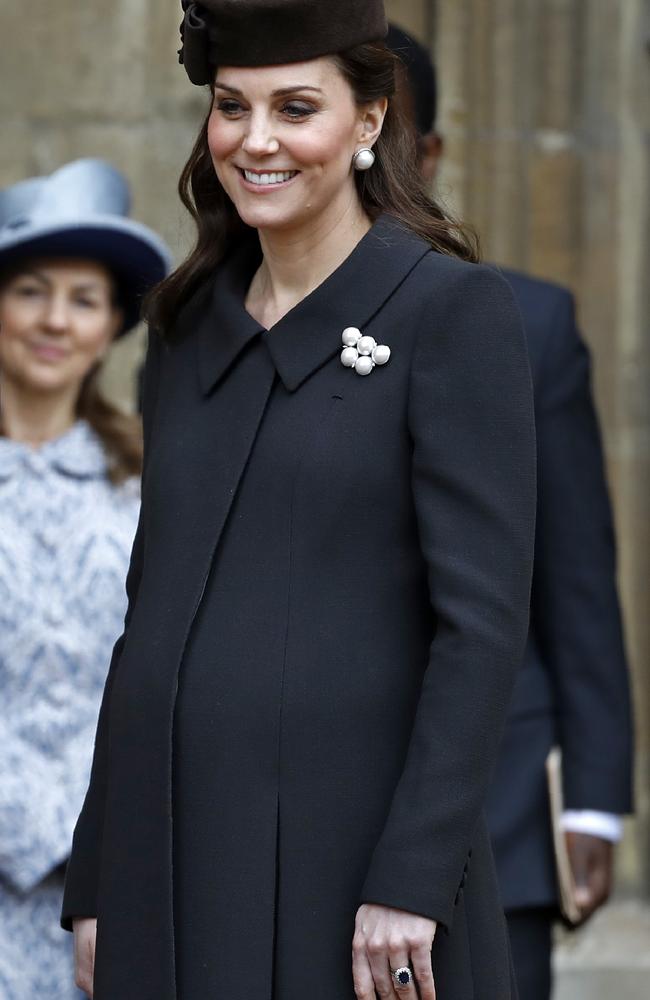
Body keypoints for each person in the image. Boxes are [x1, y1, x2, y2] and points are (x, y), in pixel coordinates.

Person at [62, 4, 537, 998]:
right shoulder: (188, 321)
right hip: (169, 865)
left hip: (358, 876)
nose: (256, 139)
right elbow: (145, 623)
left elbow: (479, 629)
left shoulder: (450, 313)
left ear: (368, 121)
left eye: (296, 106)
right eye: (231, 107)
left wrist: (411, 877)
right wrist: (101, 873)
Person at [385, 23, 634, 1000]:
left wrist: (598, 796)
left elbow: (575, 573)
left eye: (387, 131)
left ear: (430, 152)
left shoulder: (528, 324)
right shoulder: (245, 319)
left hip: (500, 809)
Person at [0, 158, 171, 1000]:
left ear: (111, 328)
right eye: (31, 291)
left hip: (114, 890)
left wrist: (105, 845)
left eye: (83, 300)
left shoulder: (152, 486)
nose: (54, 321)